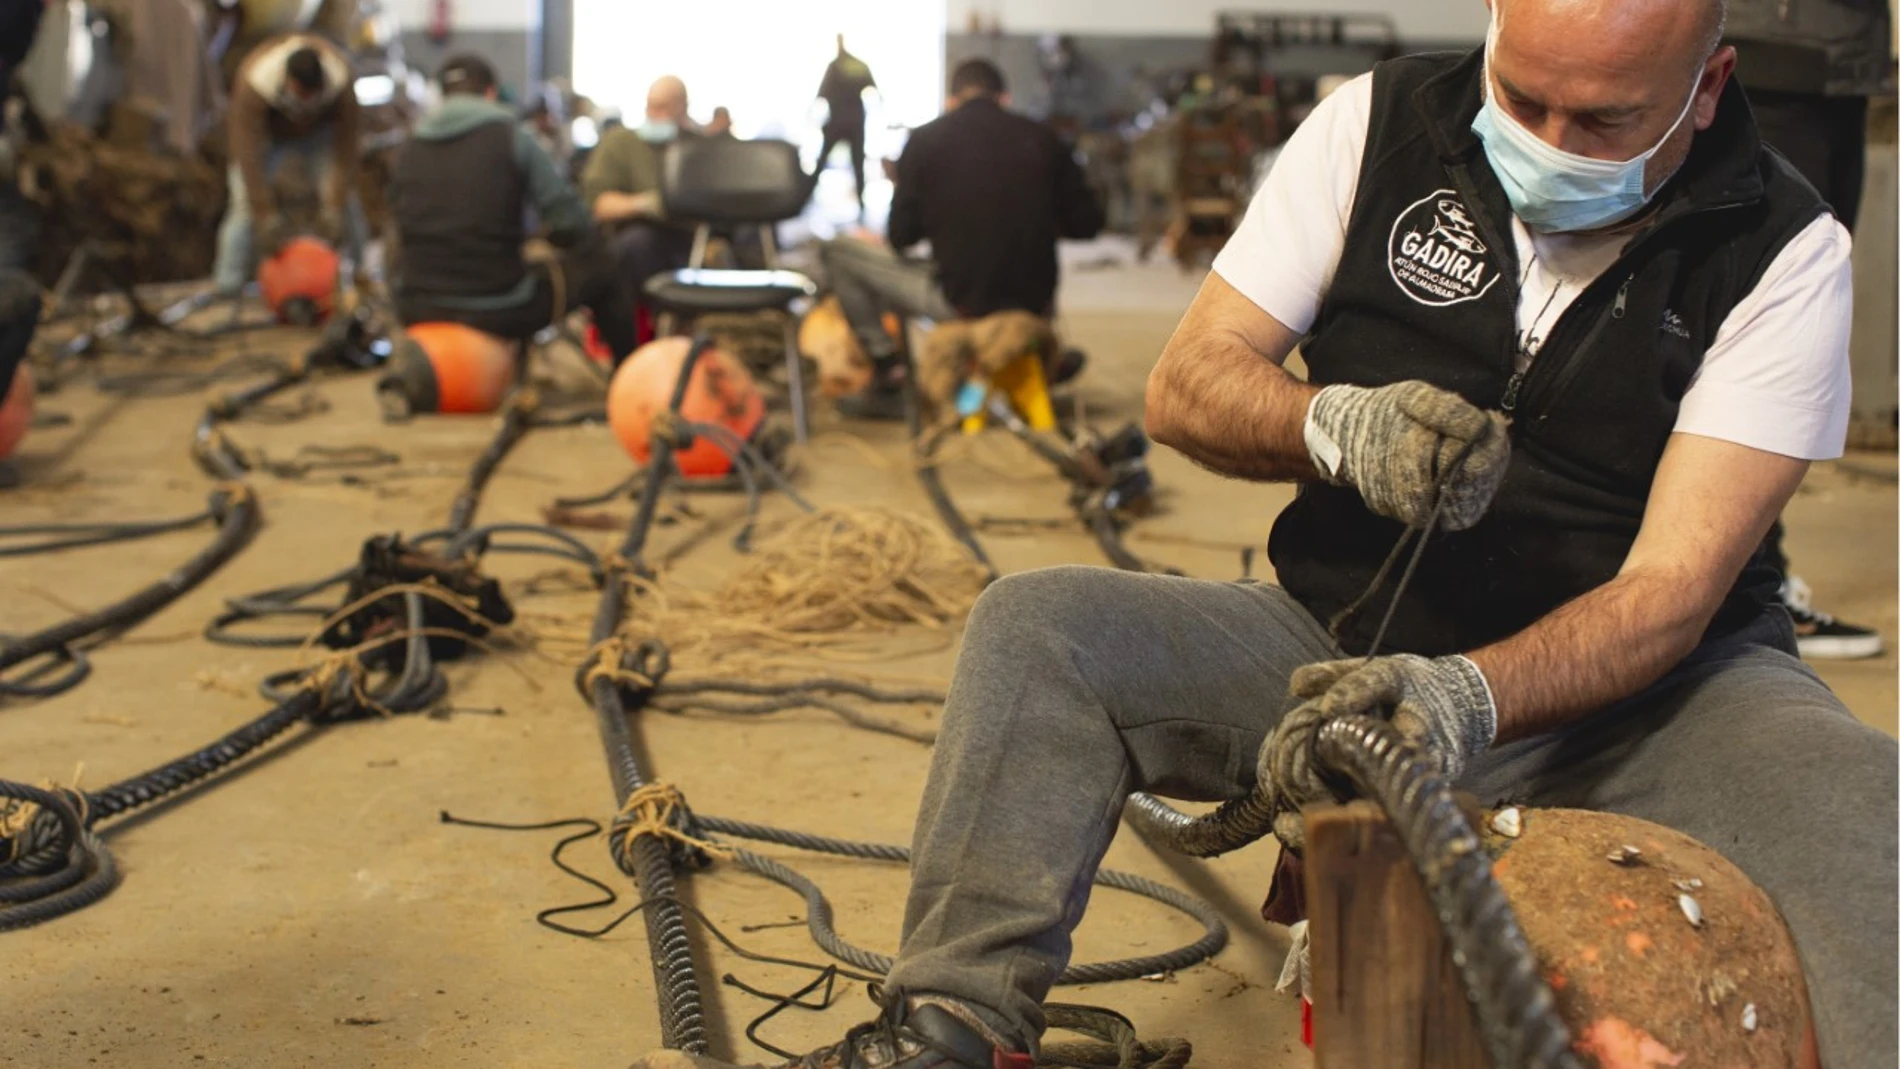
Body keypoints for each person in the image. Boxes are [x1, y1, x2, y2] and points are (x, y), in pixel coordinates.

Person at [631, 2, 1898, 1068]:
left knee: (1863, 816)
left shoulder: (1783, 249)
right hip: (1335, 641)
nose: (1550, 145)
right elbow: (1187, 382)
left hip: (1648, 699)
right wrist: (1335, 426)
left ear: (1708, 83)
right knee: (1043, 630)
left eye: (1607, 122)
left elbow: (1670, 591)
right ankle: (961, 1019)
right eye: (1524, 99)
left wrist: (1460, 698)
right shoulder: (1373, 126)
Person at [1728, 0, 1894, 659]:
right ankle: (1745, 587)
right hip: (1778, 59)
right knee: (1757, 318)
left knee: (1793, 313)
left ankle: (1751, 580)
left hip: (1829, 66)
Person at [820, 59, 1103, 419]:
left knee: (837, 252)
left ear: (950, 101)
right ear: (1005, 97)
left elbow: (901, 238)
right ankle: (1038, 361)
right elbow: (1088, 225)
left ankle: (888, 368)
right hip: (1036, 303)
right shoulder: (1045, 138)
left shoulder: (924, 141)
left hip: (960, 301)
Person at [387, 55, 638, 363]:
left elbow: (396, 221)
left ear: (440, 94)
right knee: (607, 265)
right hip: (498, 306)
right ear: (491, 92)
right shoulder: (514, 136)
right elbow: (569, 220)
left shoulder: (410, 146)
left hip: (416, 306)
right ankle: (626, 377)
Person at [213, 32, 364, 298]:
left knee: (347, 204)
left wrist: (334, 204)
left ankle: (361, 278)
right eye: (300, 93)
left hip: (319, 134)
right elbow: (247, 155)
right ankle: (228, 285)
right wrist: (265, 213)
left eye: (311, 94)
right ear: (288, 81)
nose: (305, 100)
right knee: (243, 206)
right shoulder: (255, 82)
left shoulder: (341, 81)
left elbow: (345, 148)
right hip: (268, 134)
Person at [580, 75, 696, 317]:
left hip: (694, 239)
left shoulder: (698, 148)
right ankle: (638, 333)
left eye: (663, 107)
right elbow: (599, 204)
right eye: (650, 105)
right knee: (636, 244)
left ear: (682, 107)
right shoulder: (621, 143)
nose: (654, 113)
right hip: (640, 241)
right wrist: (647, 203)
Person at [813, 34, 878, 215]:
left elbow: (821, 94)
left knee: (827, 163)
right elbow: (874, 91)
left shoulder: (837, 66)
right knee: (856, 165)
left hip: (839, 121)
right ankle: (861, 206)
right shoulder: (857, 65)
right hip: (855, 121)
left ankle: (805, 197)